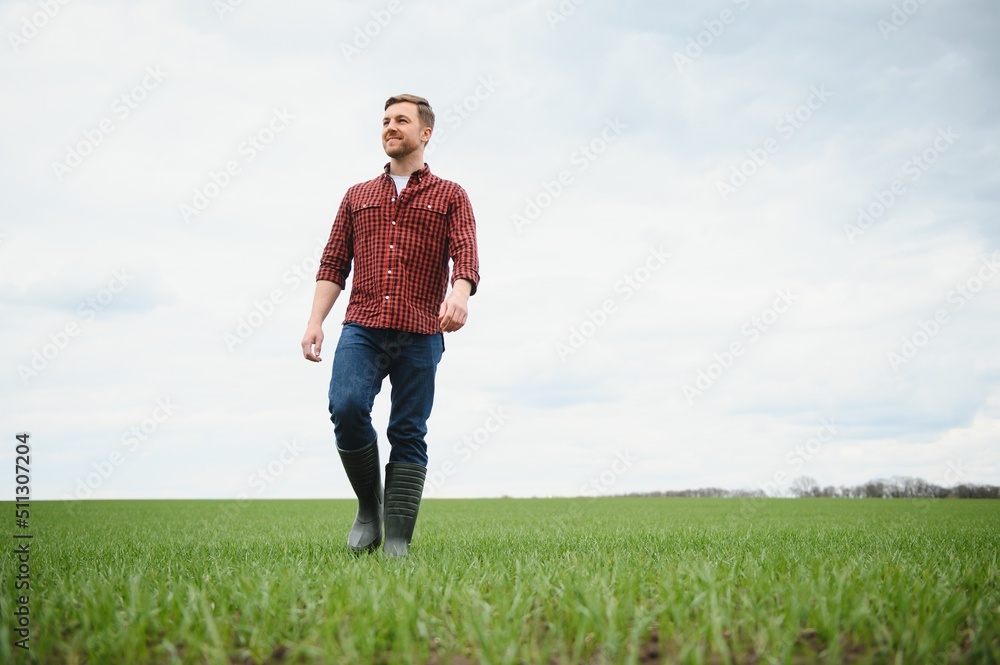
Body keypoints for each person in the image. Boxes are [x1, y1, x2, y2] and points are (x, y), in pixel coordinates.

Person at [300, 94, 480, 557]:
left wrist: (458, 295)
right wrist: (315, 321)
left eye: (401, 120)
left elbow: (467, 255)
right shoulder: (358, 196)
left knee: (408, 429)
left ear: (425, 133)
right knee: (346, 405)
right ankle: (368, 508)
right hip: (363, 325)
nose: (389, 127)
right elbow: (333, 262)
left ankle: (397, 537)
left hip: (421, 329)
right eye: (384, 121)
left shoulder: (451, 195)